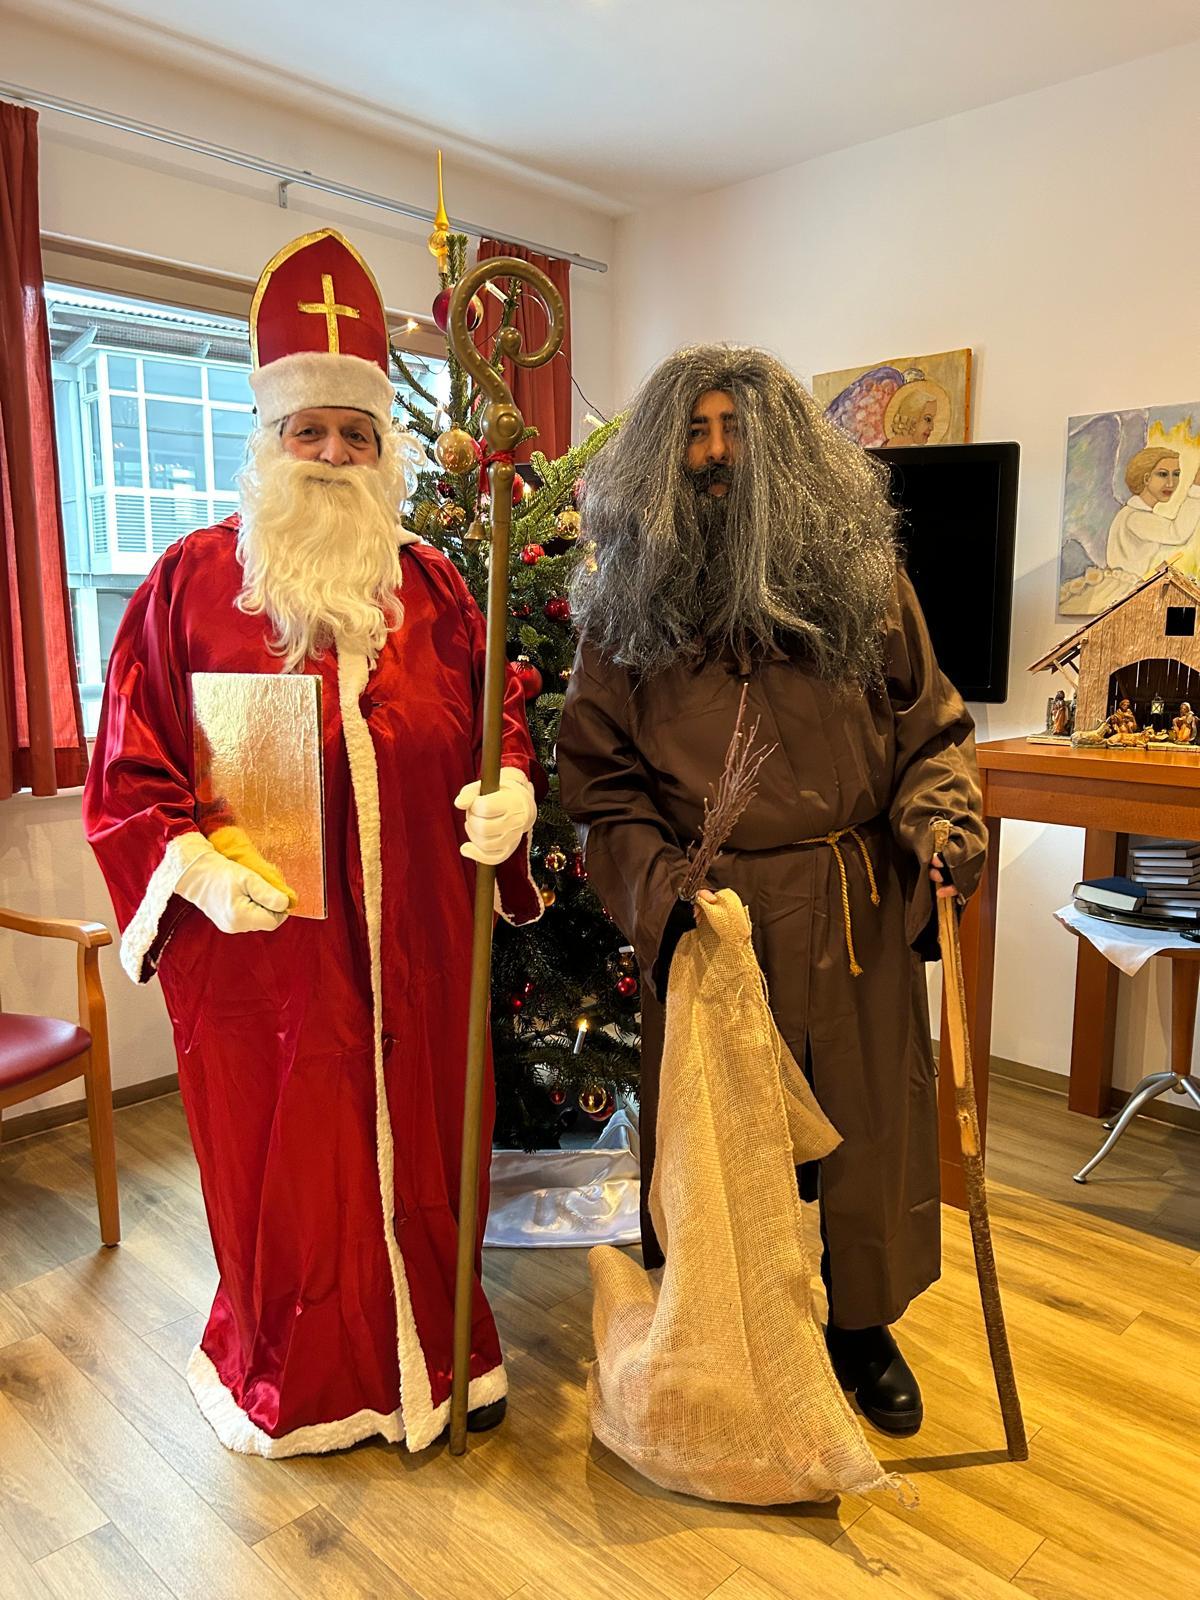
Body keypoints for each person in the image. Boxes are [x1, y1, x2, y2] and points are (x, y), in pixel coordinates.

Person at [83, 228, 542, 1458]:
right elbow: (128, 770)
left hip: (424, 955)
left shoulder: (436, 589)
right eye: (310, 432)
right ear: (268, 439)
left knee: (433, 1144)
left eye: (357, 434)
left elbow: (495, 708)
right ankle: (291, 1373)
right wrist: (192, 867)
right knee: (286, 1171)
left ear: (386, 451)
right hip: (264, 970)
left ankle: (441, 1353)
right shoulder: (189, 586)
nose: (335, 455)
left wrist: (513, 787)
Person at [557, 345, 986, 1437]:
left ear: (782, 448)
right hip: (713, 917)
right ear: (664, 457)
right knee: (719, 1138)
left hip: (851, 904)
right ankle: (723, 1327)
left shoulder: (865, 581)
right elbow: (599, 783)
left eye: (734, 430)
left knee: (865, 1128)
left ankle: (861, 1328)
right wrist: (664, 893)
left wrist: (942, 823)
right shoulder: (626, 606)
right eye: (694, 433)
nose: (714, 454)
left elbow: (932, 732)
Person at [1105, 447, 1200, 578]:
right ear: (1146, 479)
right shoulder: (1135, 517)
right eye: (1163, 474)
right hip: (1124, 587)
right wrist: (1196, 488)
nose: (1171, 483)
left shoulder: (1132, 513)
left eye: (1176, 474)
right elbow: (1176, 534)